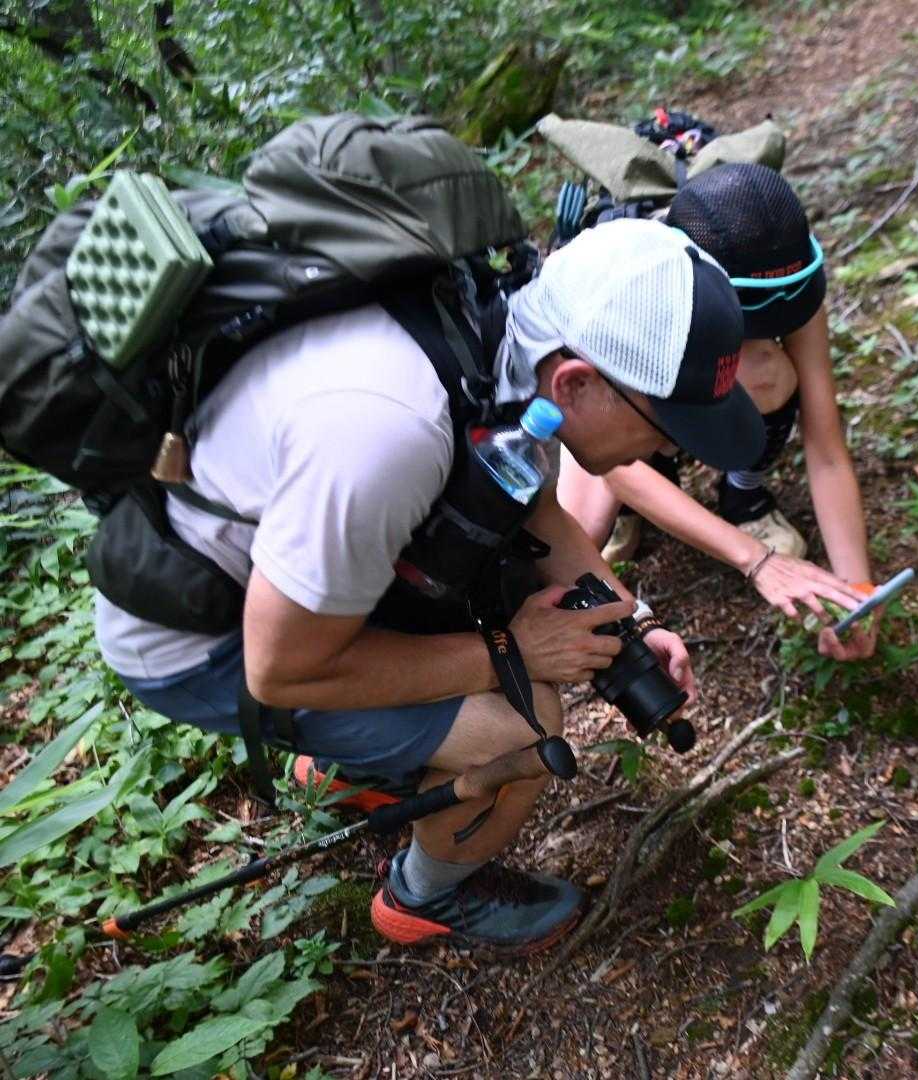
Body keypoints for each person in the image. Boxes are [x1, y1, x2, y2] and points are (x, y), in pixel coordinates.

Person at [94, 220, 764, 953]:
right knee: (525, 722)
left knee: (485, 635)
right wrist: (511, 652)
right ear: (576, 383)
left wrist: (631, 623)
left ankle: (351, 769)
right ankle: (428, 895)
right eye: (668, 426)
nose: (668, 448)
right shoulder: (389, 433)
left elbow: (534, 507)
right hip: (205, 640)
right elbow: (281, 669)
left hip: (302, 585)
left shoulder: (498, 340)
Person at [557, 164, 882, 662]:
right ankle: (637, 510)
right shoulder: (632, 286)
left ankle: (743, 495)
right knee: (573, 544)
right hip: (608, 425)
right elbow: (617, 469)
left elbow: (827, 448)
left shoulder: (784, 275)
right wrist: (757, 560)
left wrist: (854, 589)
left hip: (678, 398)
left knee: (766, 373)